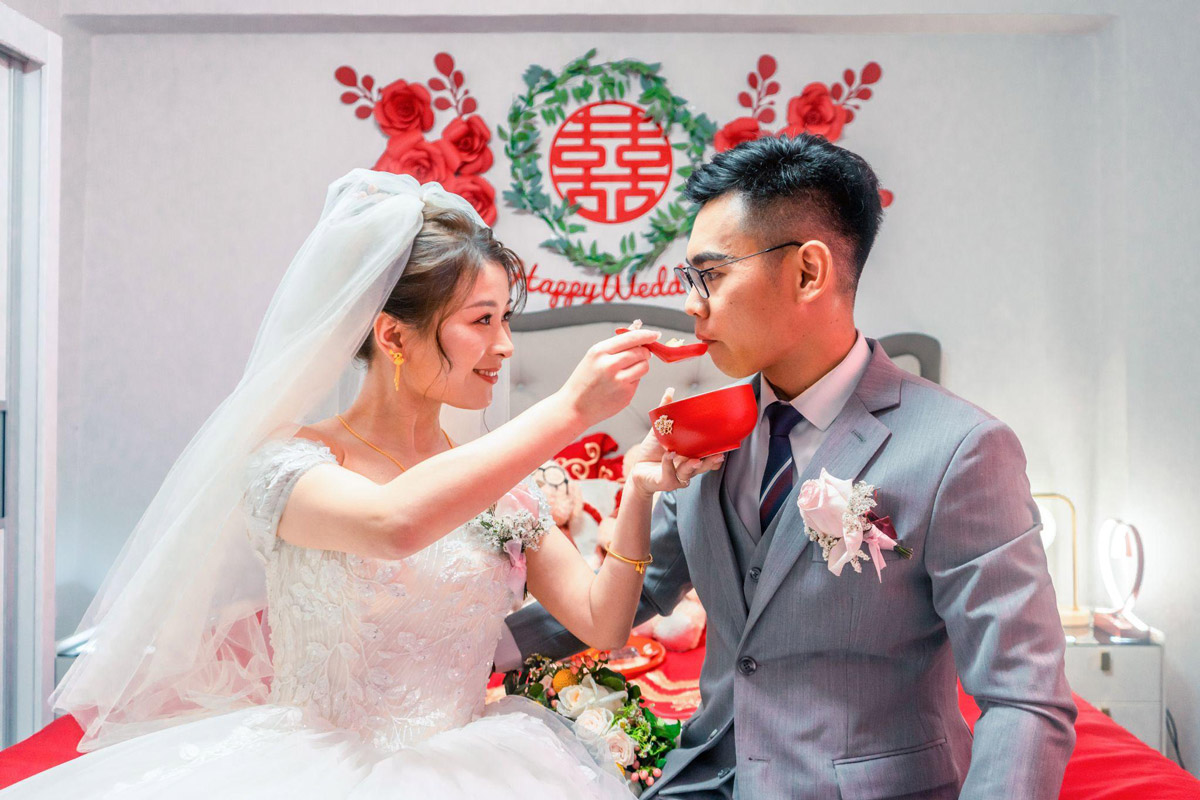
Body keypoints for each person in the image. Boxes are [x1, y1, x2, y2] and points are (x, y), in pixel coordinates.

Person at [3, 170, 722, 798]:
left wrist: (638, 491)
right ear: (392, 335)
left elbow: (602, 622)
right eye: (481, 321)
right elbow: (393, 524)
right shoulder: (291, 466)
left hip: (475, 768)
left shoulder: (504, 484)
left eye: (506, 320)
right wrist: (570, 410)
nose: (504, 346)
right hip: (312, 767)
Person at [499, 134, 1077, 799]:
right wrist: (474, 647)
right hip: (706, 781)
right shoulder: (704, 427)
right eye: (691, 280)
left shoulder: (961, 449)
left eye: (711, 275)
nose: (691, 305)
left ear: (807, 272)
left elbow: (1023, 697)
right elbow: (644, 585)